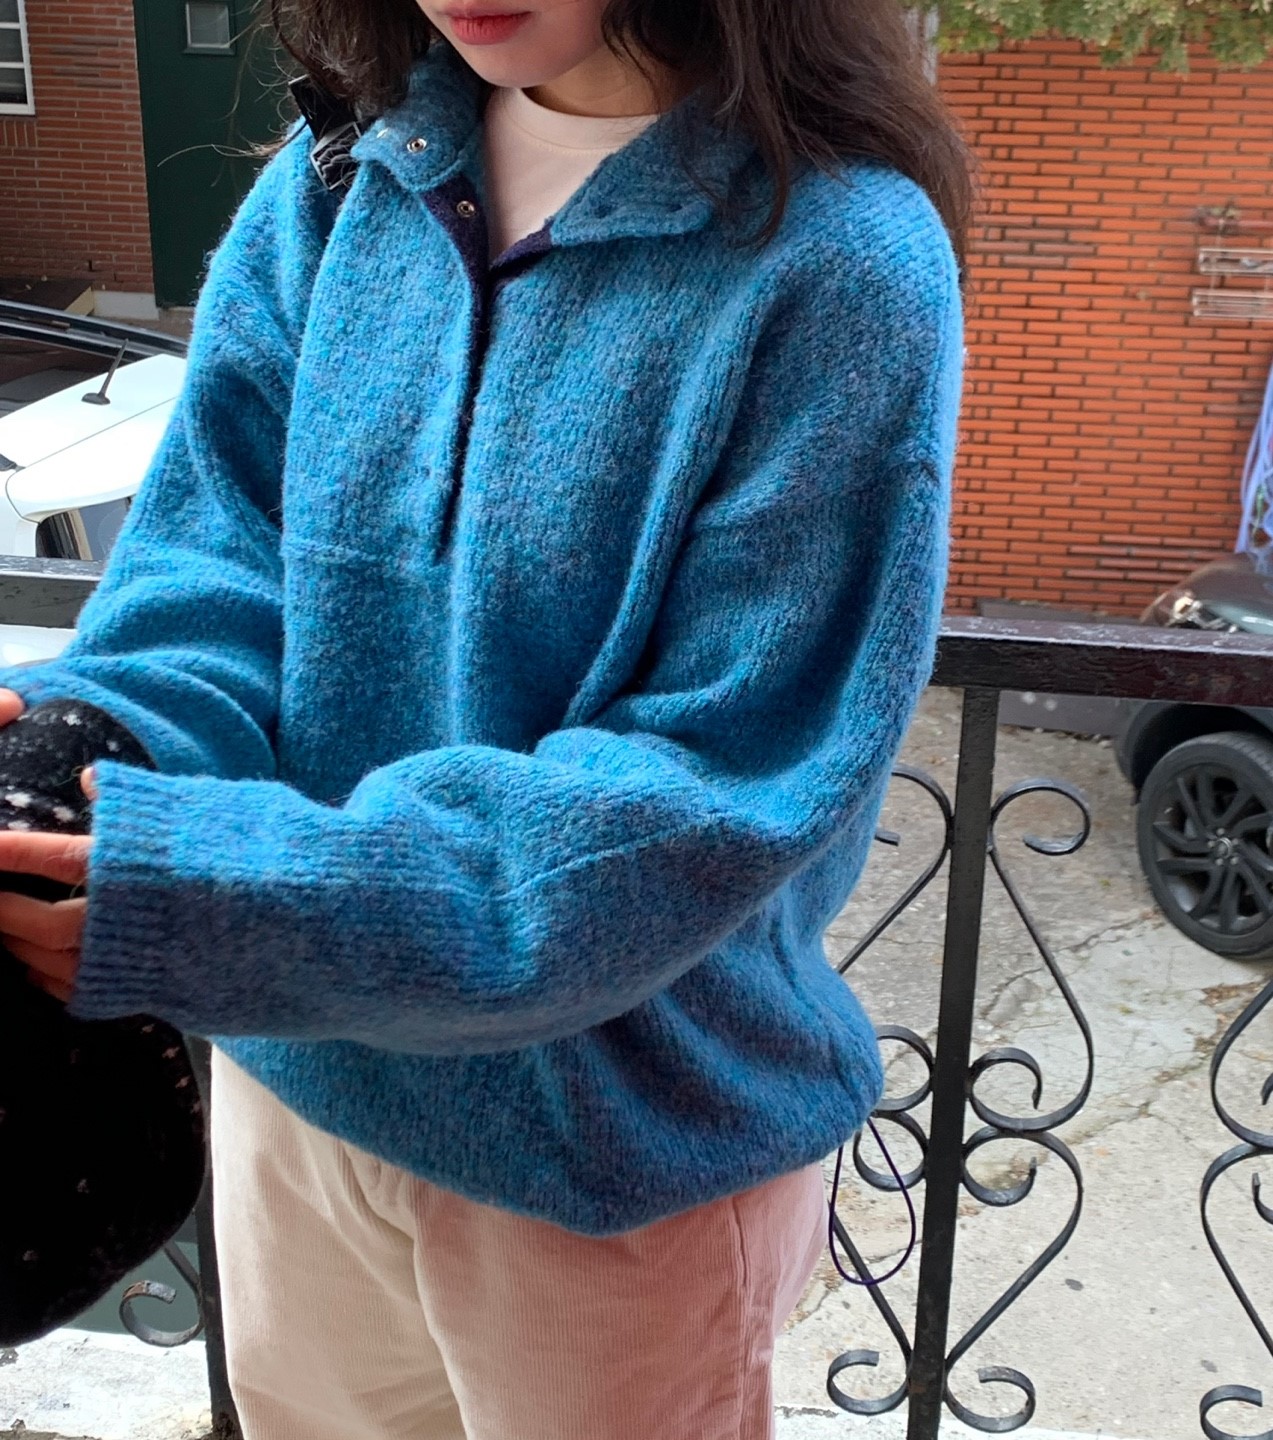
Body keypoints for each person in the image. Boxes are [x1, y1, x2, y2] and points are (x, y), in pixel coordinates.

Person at [0, 0, 970, 1435]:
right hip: (299, 1090)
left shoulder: (840, 259)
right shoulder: (341, 181)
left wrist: (245, 895)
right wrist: (72, 756)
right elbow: (217, 574)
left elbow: (716, 779)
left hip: (614, 1157)